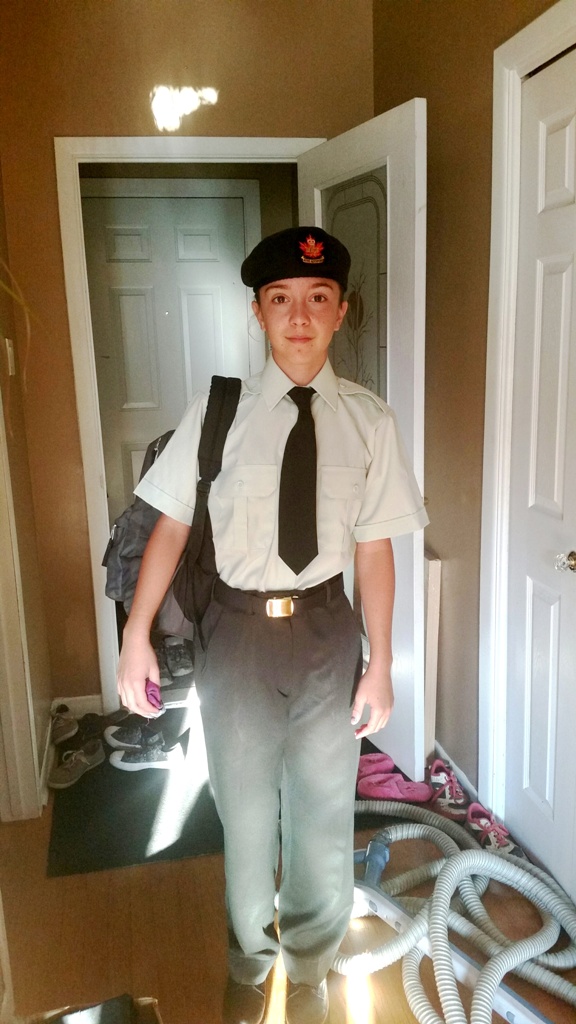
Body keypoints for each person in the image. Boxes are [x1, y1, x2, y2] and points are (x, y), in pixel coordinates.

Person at [117, 226, 429, 1024]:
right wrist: (135, 635)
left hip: (328, 633)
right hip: (238, 638)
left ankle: (312, 967)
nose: (299, 316)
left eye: (318, 298)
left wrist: (382, 661)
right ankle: (251, 964)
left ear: (341, 312)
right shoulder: (216, 412)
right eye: (281, 299)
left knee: (323, 814)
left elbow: (376, 549)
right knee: (247, 812)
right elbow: (171, 528)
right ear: (257, 312)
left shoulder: (370, 421)